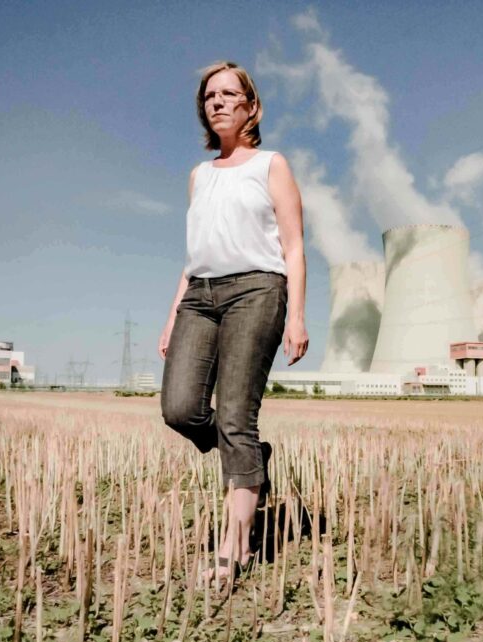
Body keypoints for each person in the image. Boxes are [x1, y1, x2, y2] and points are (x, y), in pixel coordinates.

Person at [159, 61, 308, 583]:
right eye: (209, 96)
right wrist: (173, 314)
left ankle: (234, 547)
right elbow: (194, 253)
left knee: (236, 415)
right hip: (199, 295)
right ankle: (252, 461)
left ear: (251, 105)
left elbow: (292, 245)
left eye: (228, 94)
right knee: (179, 408)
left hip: (257, 290)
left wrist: (297, 314)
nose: (217, 102)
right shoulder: (198, 176)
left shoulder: (271, 165)